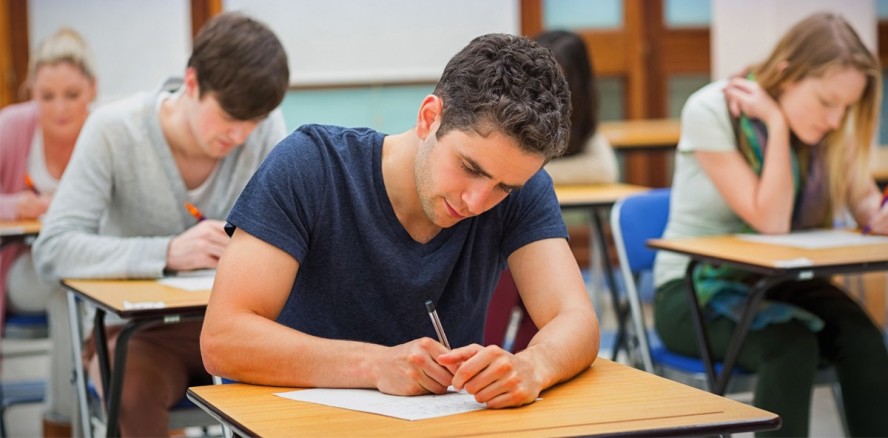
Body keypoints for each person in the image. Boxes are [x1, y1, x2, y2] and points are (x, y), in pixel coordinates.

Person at [200, 33, 600, 407]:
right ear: (429, 117)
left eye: (504, 188)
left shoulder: (522, 190)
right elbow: (223, 338)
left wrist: (533, 365)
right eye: (470, 168)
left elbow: (576, 319)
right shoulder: (310, 166)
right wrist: (374, 366)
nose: (477, 201)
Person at [32, 12, 289, 436]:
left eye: (254, 122)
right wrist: (167, 252)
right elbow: (52, 249)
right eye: (229, 116)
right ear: (192, 83)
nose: (241, 136)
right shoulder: (114, 131)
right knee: (132, 392)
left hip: (239, 329)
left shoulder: (265, 130)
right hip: (137, 335)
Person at [652, 12, 888, 437]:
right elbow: (772, 221)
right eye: (827, 102)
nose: (836, 120)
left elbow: (868, 203)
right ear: (786, 74)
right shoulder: (712, 110)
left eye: (847, 107)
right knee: (790, 346)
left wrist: (879, 213)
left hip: (778, 283)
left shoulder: (827, 131)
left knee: (863, 338)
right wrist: (777, 125)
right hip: (693, 292)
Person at [0, 27, 97, 436]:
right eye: (47, 96)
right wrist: (14, 205)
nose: (60, 108)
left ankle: (93, 411)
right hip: (22, 271)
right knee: (65, 284)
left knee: (73, 288)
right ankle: (63, 422)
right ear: (31, 91)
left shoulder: (104, 132)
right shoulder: (11, 126)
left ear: (92, 89)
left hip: (89, 266)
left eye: (72, 95)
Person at [535, 30, 618, 185]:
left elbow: (604, 170)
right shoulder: (515, 109)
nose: (545, 87)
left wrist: (527, 174)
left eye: (557, 78)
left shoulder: (579, 116)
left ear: (576, 82)